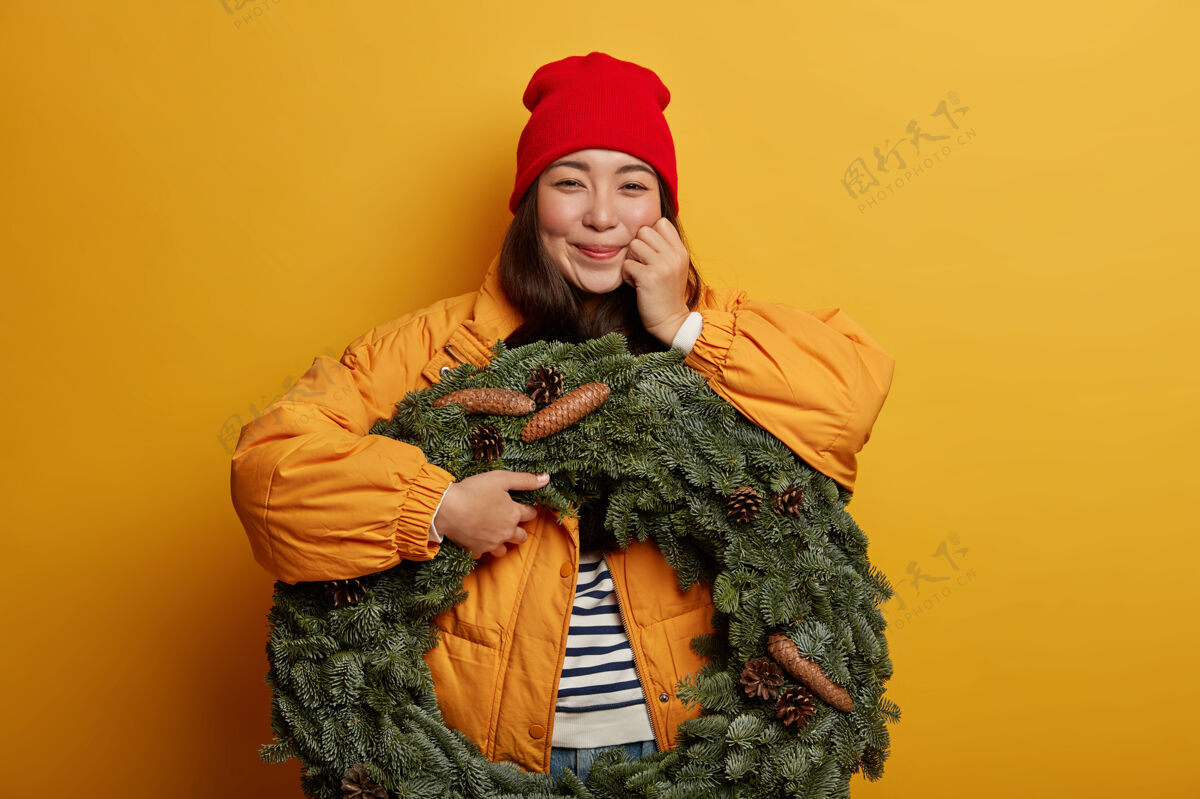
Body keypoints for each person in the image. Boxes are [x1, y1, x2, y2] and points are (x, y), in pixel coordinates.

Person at [229, 51, 895, 782]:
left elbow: (850, 398)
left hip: (682, 755)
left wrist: (681, 324)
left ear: (664, 209)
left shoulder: (713, 330)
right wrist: (439, 505)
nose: (602, 215)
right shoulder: (434, 349)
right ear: (529, 200)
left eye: (632, 185)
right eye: (569, 182)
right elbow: (269, 468)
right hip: (485, 763)